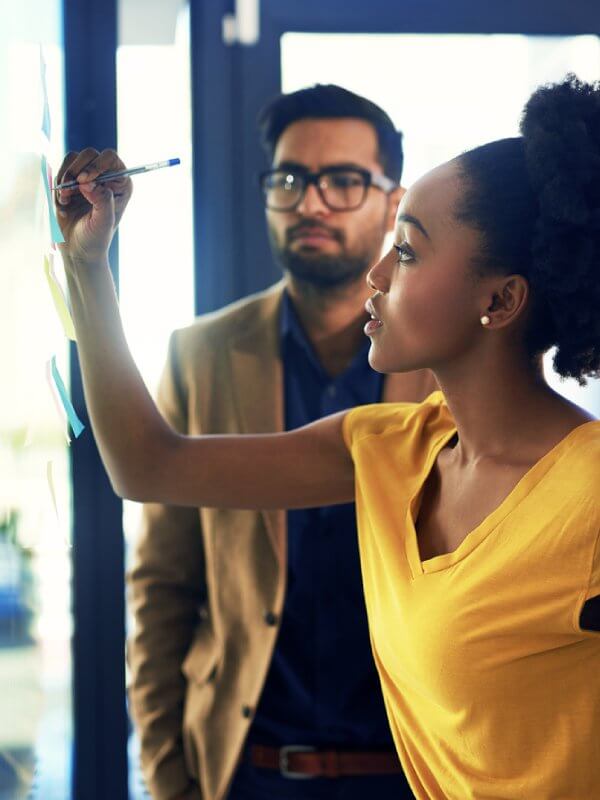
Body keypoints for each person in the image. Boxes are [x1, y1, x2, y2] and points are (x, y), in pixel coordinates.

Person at [55, 73, 600, 800]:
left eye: (406, 252)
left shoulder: (588, 498)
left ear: (499, 299)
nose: (377, 273)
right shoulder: (388, 448)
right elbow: (149, 466)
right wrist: (91, 265)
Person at [128, 85, 433, 800]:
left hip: (416, 771)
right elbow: (162, 585)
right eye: (290, 179)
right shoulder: (200, 355)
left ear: (394, 204)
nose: (312, 202)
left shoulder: (449, 363)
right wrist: (168, 775)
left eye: (344, 180)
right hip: (246, 767)